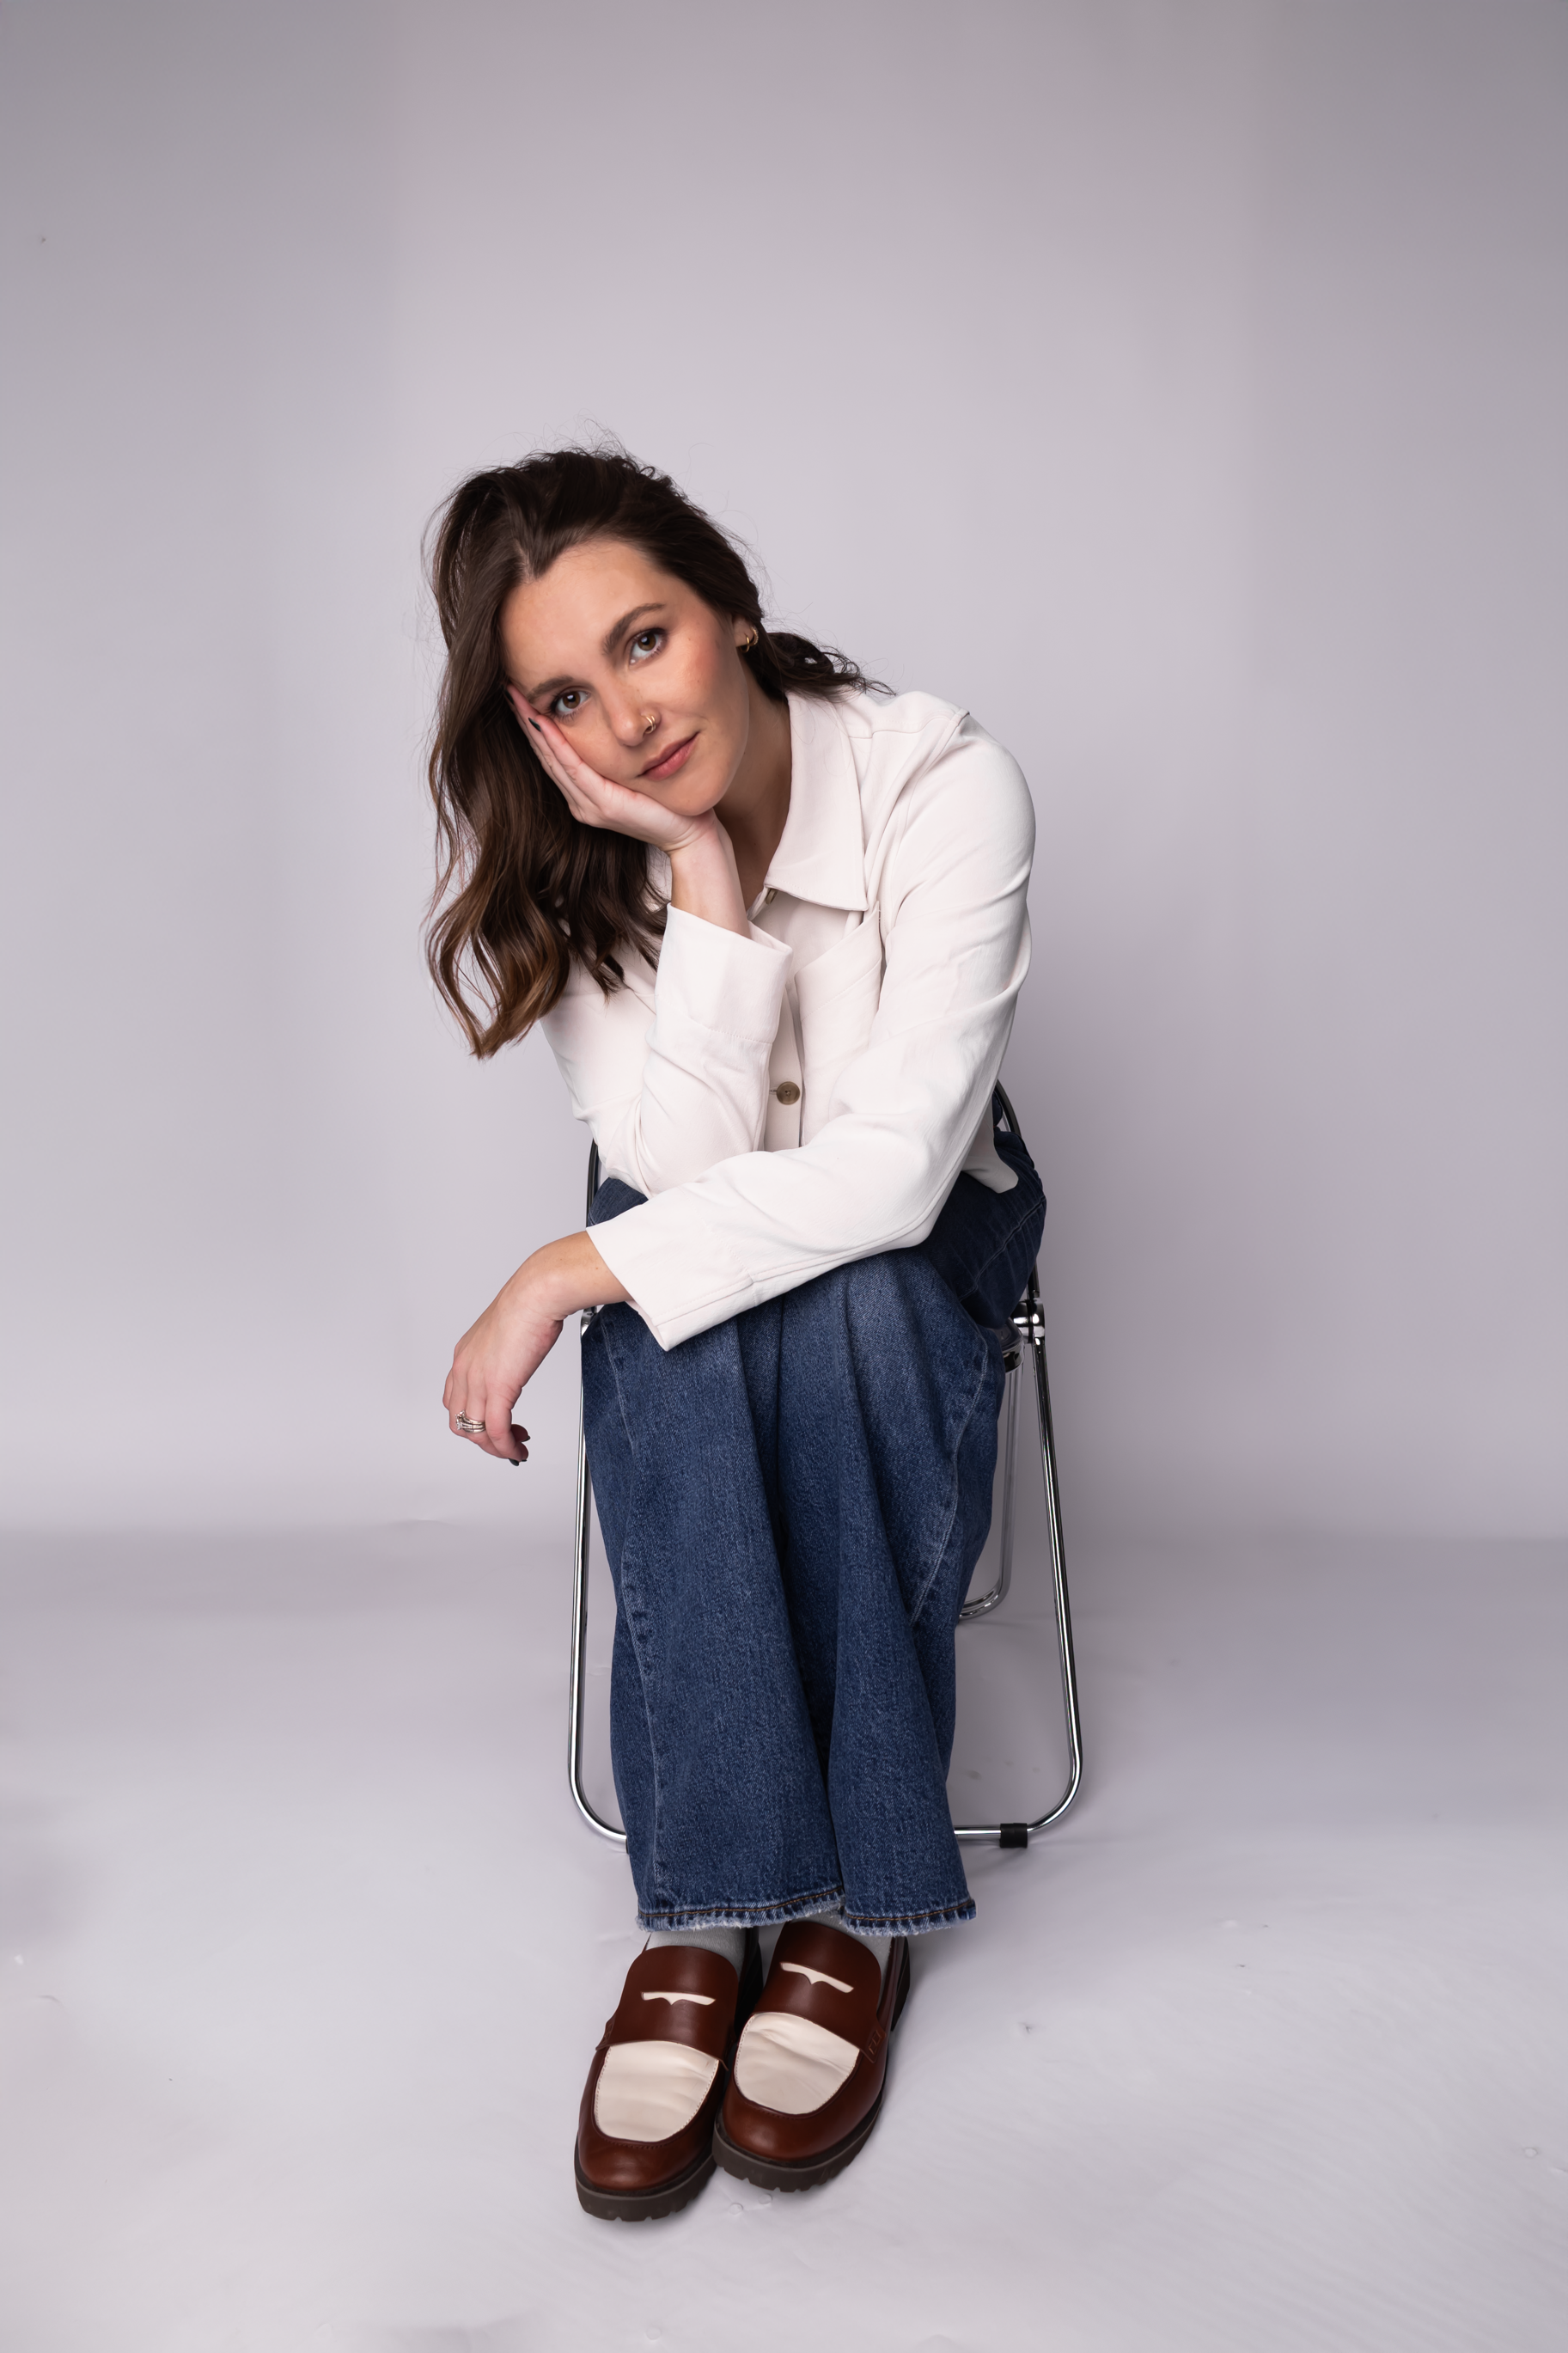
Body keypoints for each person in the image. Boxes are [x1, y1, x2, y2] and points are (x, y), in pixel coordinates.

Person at [426, 447, 1043, 2221]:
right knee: (678, 1298)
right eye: (564, 692)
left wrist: (556, 1271)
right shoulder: (596, 860)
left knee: (809, 1285)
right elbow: (675, 1186)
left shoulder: (944, 783)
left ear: (735, 614)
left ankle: (852, 1901)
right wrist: (696, 873)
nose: (621, 716)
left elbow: (894, 1177)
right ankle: (715, 1900)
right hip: (727, 1256)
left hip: (918, 1241)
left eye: (646, 640)